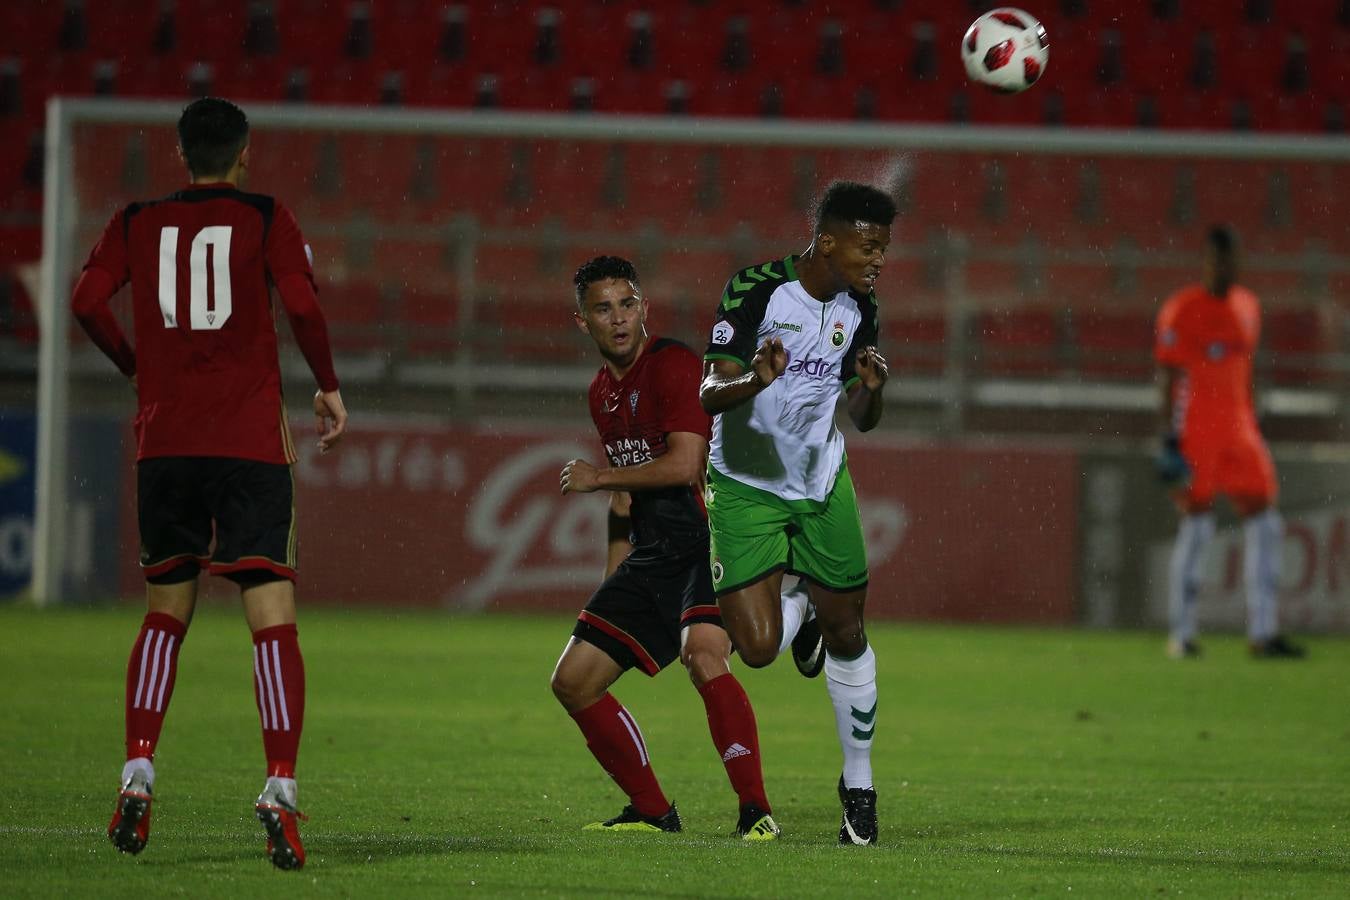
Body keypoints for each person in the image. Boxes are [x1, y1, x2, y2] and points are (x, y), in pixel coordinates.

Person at [72, 97, 348, 870]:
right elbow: (299, 302)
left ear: (182, 154)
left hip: (167, 446)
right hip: (249, 444)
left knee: (166, 612)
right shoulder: (266, 215)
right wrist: (327, 383)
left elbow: (85, 301)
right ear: (244, 153)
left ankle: (138, 767)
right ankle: (280, 789)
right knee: (272, 618)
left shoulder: (136, 219)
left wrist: (136, 364)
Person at [553, 255, 780, 841]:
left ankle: (757, 812)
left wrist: (597, 477)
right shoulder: (601, 392)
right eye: (603, 308)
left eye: (627, 304)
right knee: (573, 681)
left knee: (703, 655)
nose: (619, 318)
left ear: (644, 308)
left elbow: (683, 466)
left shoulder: (673, 365)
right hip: (654, 552)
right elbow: (626, 495)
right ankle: (654, 811)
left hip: (708, 538)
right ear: (583, 321)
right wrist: (612, 579)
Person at [699, 181, 894, 845]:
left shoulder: (860, 305)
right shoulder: (755, 290)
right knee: (753, 650)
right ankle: (799, 606)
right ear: (828, 242)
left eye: (884, 249)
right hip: (746, 483)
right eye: (869, 247)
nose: (879, 261)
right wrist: (756, 378)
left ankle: (860, 788)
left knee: (850, 631)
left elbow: (862, 418)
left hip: (818, 480)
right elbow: (708, 393)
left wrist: (871, 392)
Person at [1154, 225, 1304, 660]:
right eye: (1222, 258)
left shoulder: (1248, 306)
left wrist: (1250, 418)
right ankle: (1181, 635)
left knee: (1266, 521)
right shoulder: (1182, 310)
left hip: (1240, 429)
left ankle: (1263, 632)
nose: (1229, 266)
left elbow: (1245, 369)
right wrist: (1167, 437)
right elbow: (1166, 376)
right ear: (1207, 261)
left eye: (1234, 258)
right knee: (1198, 525)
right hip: (1197, 430)